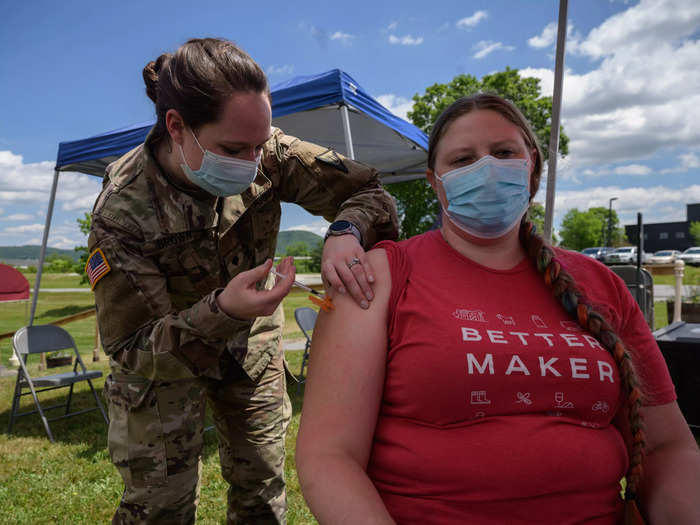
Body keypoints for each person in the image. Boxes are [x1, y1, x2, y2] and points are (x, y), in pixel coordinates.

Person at [296, 94, 700, 524]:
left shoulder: (601, 284)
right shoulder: (378, 277)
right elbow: (330, 457)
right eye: (463, 159)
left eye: (504, 152)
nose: (485, 168)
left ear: (533, 167)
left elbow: (667, 447)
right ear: (435, 182)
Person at [87, 37, 398, 524]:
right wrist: (223, 311)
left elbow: (369, 191)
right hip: (163, 370)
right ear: (176, 127)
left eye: (259, 144)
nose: (254, 161)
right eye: (234, 148)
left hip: (249, 351)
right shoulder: (124, 209)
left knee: (262, 496)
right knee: (157, 508)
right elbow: (131, 347)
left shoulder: (267, 149)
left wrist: (345, 230)